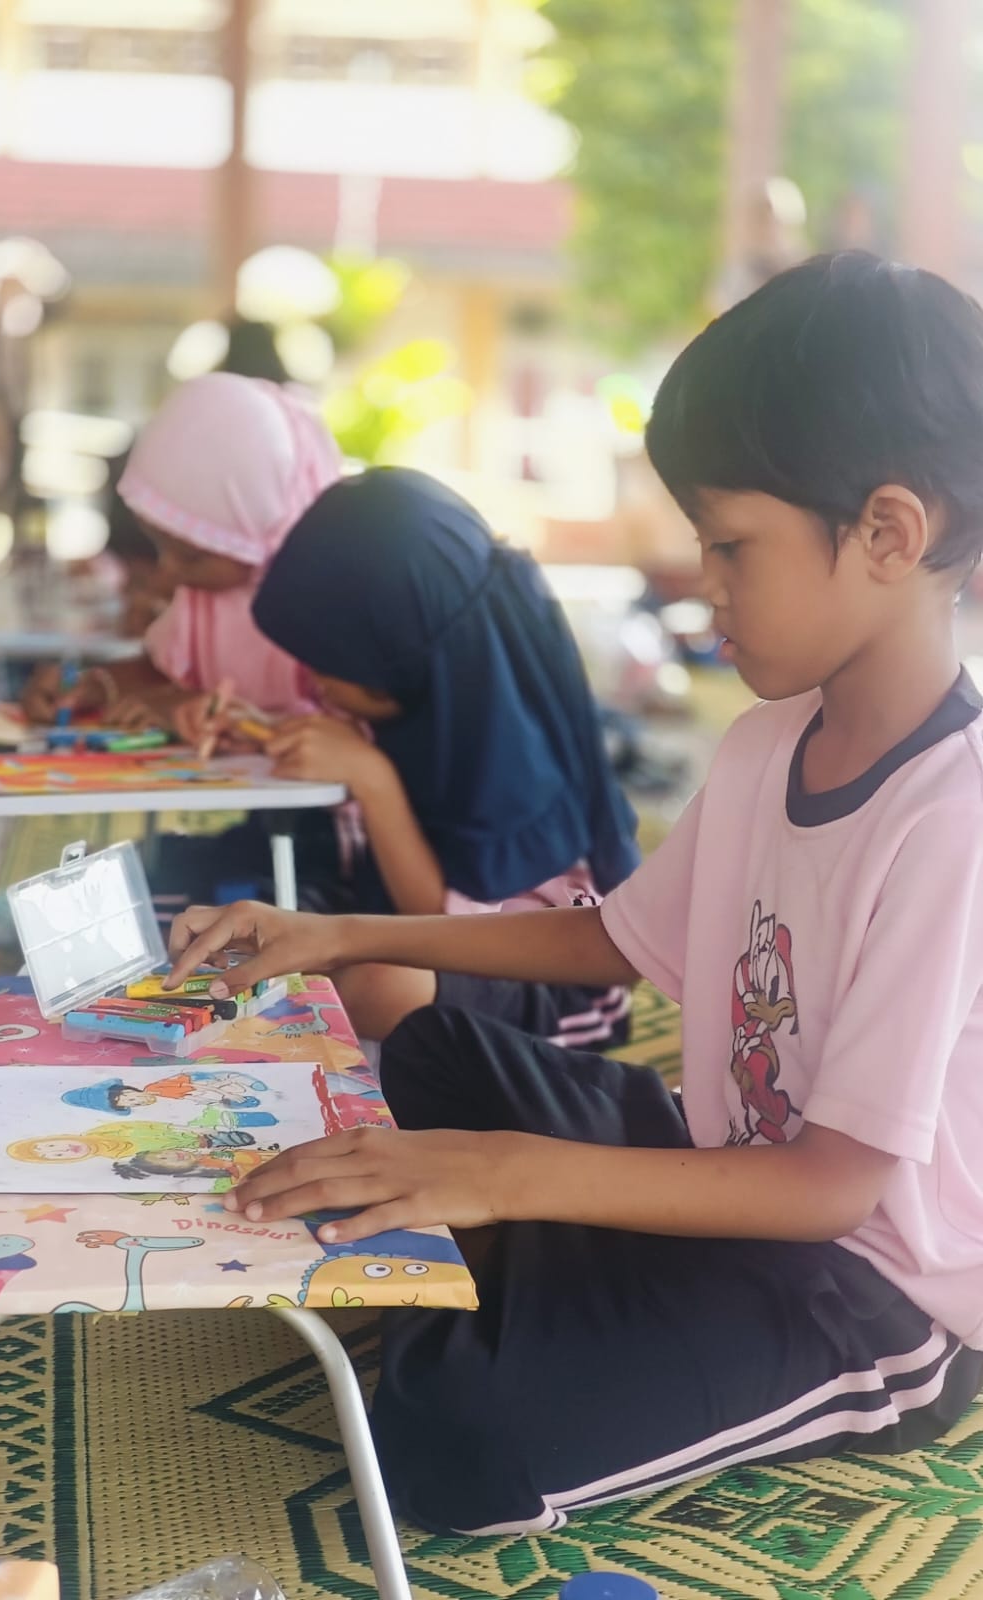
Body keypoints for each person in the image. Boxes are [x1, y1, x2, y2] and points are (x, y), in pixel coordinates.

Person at [164, 254, 983, 1535]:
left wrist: (505, 1173)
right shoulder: (767, 744)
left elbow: (831, 1188)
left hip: (866, 1283)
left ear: (887, 532)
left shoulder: (953, 814)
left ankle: (537, 1269)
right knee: (434, 1047)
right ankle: (550, 1265)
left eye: (731, 543)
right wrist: (335, 930)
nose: (705, 584)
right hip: (726, 1167)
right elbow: (617, 938)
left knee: (452, 1448)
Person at [251, 467, 640, 1043]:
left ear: (401, 657)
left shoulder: (517, 763)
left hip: (543, 977)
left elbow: (442, 926)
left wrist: (373, 779)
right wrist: (250, 731)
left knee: (377, 985)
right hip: (407, 929)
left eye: (331, 662)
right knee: (264, 917)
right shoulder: (438, 693)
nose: (313, 680)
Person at [20, 372, 341, 742]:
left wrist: (202, 714)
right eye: (160, 547)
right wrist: (95, 685)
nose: (166, 573)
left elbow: (346, 737)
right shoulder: (206, 598)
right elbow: (168, 669)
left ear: (260, 537)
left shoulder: (327, 609)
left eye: (192, 558)